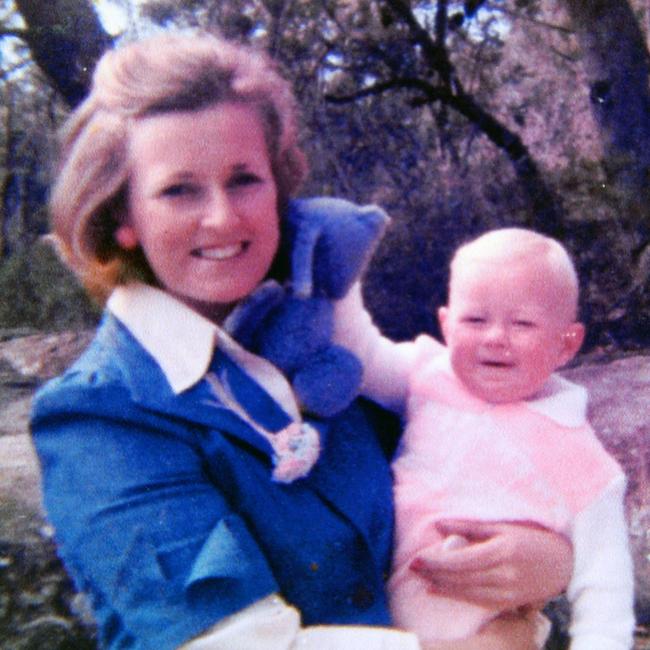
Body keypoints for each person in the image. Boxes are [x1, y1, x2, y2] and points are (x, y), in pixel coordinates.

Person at [30, 32, 573, 650]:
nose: (224, 217)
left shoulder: (325, 346)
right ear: (123, 218)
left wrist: (550, 558)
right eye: (179, 190)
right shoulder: (99, 416)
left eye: (244, 180)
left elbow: (477, 464)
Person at [334, 228, 635, 650]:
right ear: (446, 325)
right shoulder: (425, 376)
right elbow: (358, 352)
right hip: (384, 628)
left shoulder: (579, 454)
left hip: (497, 635)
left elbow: (604, 586)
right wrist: (340, 274)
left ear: (567, 344)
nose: (495, 337)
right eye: (475, 319)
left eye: (522, 323)